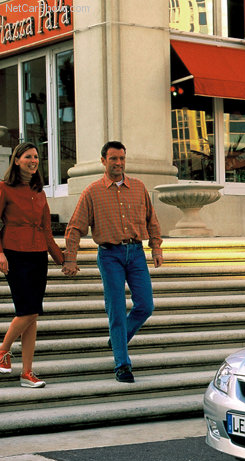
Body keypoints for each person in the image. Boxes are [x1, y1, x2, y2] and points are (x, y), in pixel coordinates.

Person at [62, 141, 163, 383]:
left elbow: (152, 220)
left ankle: (118, 338)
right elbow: (75, 227)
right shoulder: (92, 192)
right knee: (116, 310)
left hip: (136, 253)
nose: (118, 163)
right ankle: (123, 365)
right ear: (103, 161)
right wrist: (70, 258)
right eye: (113, 159)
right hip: (109, 256)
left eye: (121, 159)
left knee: (145, 306)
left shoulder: (139, 188)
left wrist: (156, 247)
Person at [0, 142, 65, 388]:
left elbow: (48, 230)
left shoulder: (39, 192)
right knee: (27, 310)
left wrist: (62, 259)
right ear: (16, 160)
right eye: (28, 156)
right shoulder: (4, 188)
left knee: (33, 313)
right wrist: (0, 253)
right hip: (14, 253)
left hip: (38, 254)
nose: (33, 160)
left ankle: (27, 372)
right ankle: (3, 349)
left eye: (36, 156)